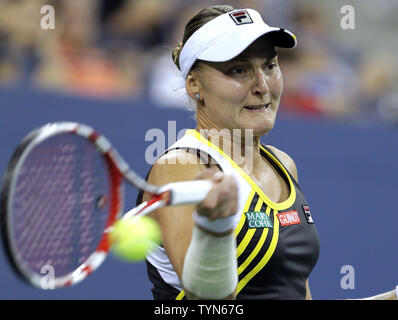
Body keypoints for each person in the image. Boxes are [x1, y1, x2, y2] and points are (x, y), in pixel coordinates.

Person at [137, 5, 398, 300]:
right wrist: (216, 230)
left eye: (270, 66)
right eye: (239, 70)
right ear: (194, 84)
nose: (262, 85)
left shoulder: (283, 165)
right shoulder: (181, 167)